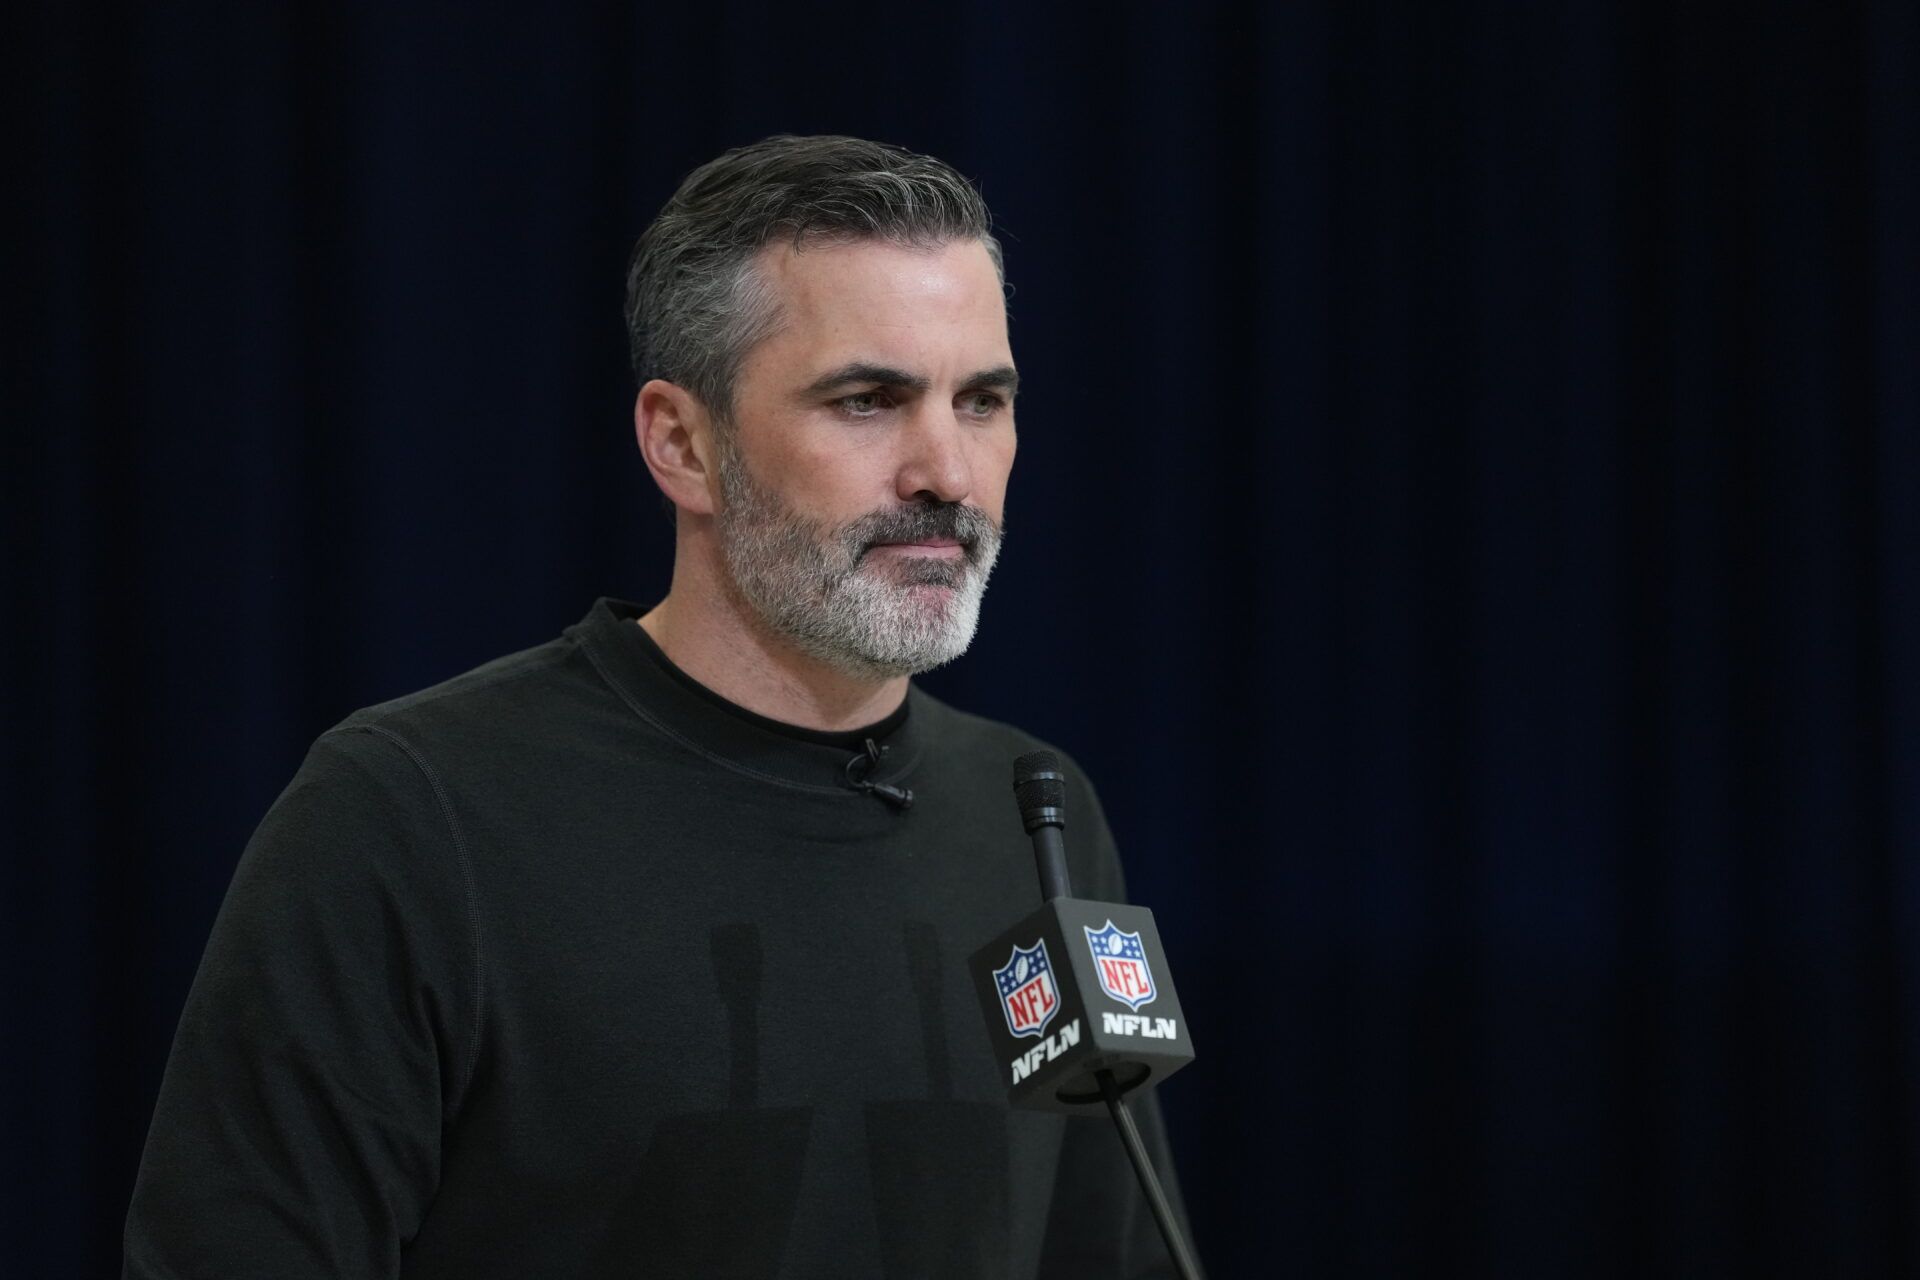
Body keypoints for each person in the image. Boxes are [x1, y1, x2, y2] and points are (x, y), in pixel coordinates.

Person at [124, 134, 1197, 1278]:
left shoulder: (1037, 817)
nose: (947, 471)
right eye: (867, 400)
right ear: (683, 443)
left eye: (982, 400)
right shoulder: (409, 815)